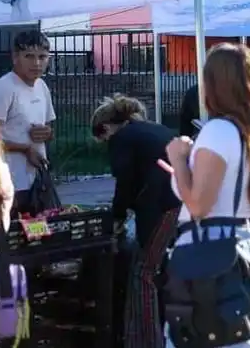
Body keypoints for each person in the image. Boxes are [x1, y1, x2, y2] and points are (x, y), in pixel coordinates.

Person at [160, 43, 250, 348]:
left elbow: (198, 204)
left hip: (214, 251)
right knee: (240, 337)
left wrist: (179, 158)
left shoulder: (219, 131)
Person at [91, 95, 180, 348]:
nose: (105, 143)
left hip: (163, 206)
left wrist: (117, 217)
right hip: (181, 202)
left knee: (144, 273)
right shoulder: (153, 130)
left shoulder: (122, 138)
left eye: (102, 138)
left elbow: (125, 183)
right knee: (160, 268)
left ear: (105, 128)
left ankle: (145, 340)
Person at [0, 30, 55, 210]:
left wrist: (47, 133)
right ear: (15, 57)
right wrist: (25, 149)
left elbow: (48, 127)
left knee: (37, 233)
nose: (36, 63)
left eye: (42, 57)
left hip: (36, 181)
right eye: (29, 56)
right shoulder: (3, 88)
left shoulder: (42, 86)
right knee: (10, 236)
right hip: (7, 182)